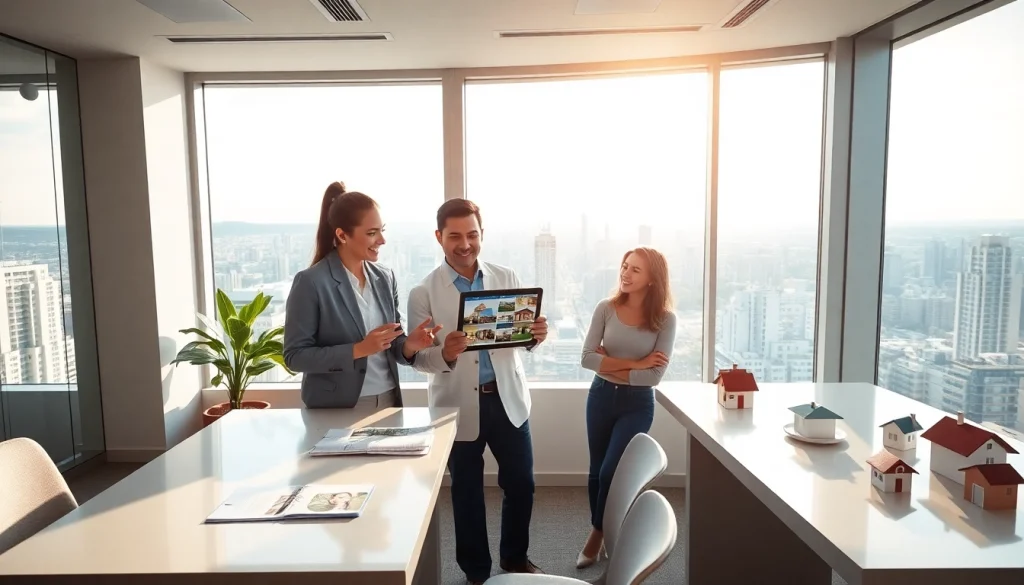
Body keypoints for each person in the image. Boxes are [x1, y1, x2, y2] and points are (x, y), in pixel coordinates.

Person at [407, 199, 548, 585]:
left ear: (481, 235)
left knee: (521, 483)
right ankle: (476, 573)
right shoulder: (424, 292)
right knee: (466, 492)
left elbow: (518, 336)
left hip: (507, 399)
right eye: (455, 236)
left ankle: (515, 560)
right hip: (456, 405)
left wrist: (534, 337)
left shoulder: (506, 275)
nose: (464, 244)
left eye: (472, 234)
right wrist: (444, 353)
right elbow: (417, 359)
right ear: (439, 237)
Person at [283, 181, 440, 411]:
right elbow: (295, 357)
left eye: (382, 230)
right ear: (342, 235)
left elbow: (393, 345)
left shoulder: (385, 277)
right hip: (337, 406)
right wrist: (358, 349)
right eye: (371, 233)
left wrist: (410, 345)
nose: (382, 240)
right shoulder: (311, 282)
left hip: (388, 400)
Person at [576, 247, 676, 568]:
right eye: (625, 266)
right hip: (601, 397)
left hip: (637, 404)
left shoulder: (665, 320)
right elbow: (587, 358)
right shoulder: (605, 308)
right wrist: (636, 363)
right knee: (596, 471)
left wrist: (610, 364)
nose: (625, 273)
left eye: (635, 270)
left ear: (652, 280)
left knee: (611, 472)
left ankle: (596, 534)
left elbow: (655, 375)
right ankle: (603, 529)